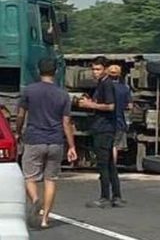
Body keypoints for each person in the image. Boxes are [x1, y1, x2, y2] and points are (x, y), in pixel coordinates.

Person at [16, 58, 77, 229]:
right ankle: (44, 220)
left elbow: (21, 115)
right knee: (51, 180)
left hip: (34, 138)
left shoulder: (29, 91)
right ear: (56, 72)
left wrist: (18, 132)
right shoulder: (63, 94)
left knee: (29, 176)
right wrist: (72, 146)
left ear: (38, 70)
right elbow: (67, 123)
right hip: (55, 141)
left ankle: (35, 200)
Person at [79, 56, 121, 208]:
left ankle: (105, 196)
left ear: (105, 70)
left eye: (98, 69)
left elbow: (110, 106)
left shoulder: (107, 84)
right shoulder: (100, 85)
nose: (95, 72)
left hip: (104, 128)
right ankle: (116, 195)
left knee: (103, 164)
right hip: (103, 127)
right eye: (93, 69)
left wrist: (90, 105)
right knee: (109, 163)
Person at [107, 64, 133, 166]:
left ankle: (108, 166)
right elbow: (130, 106)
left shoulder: (105, 86)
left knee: (108, 146)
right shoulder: (125, 88)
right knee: (115, 146)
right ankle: (113, 167)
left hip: (106, 121)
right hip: (119, 121)